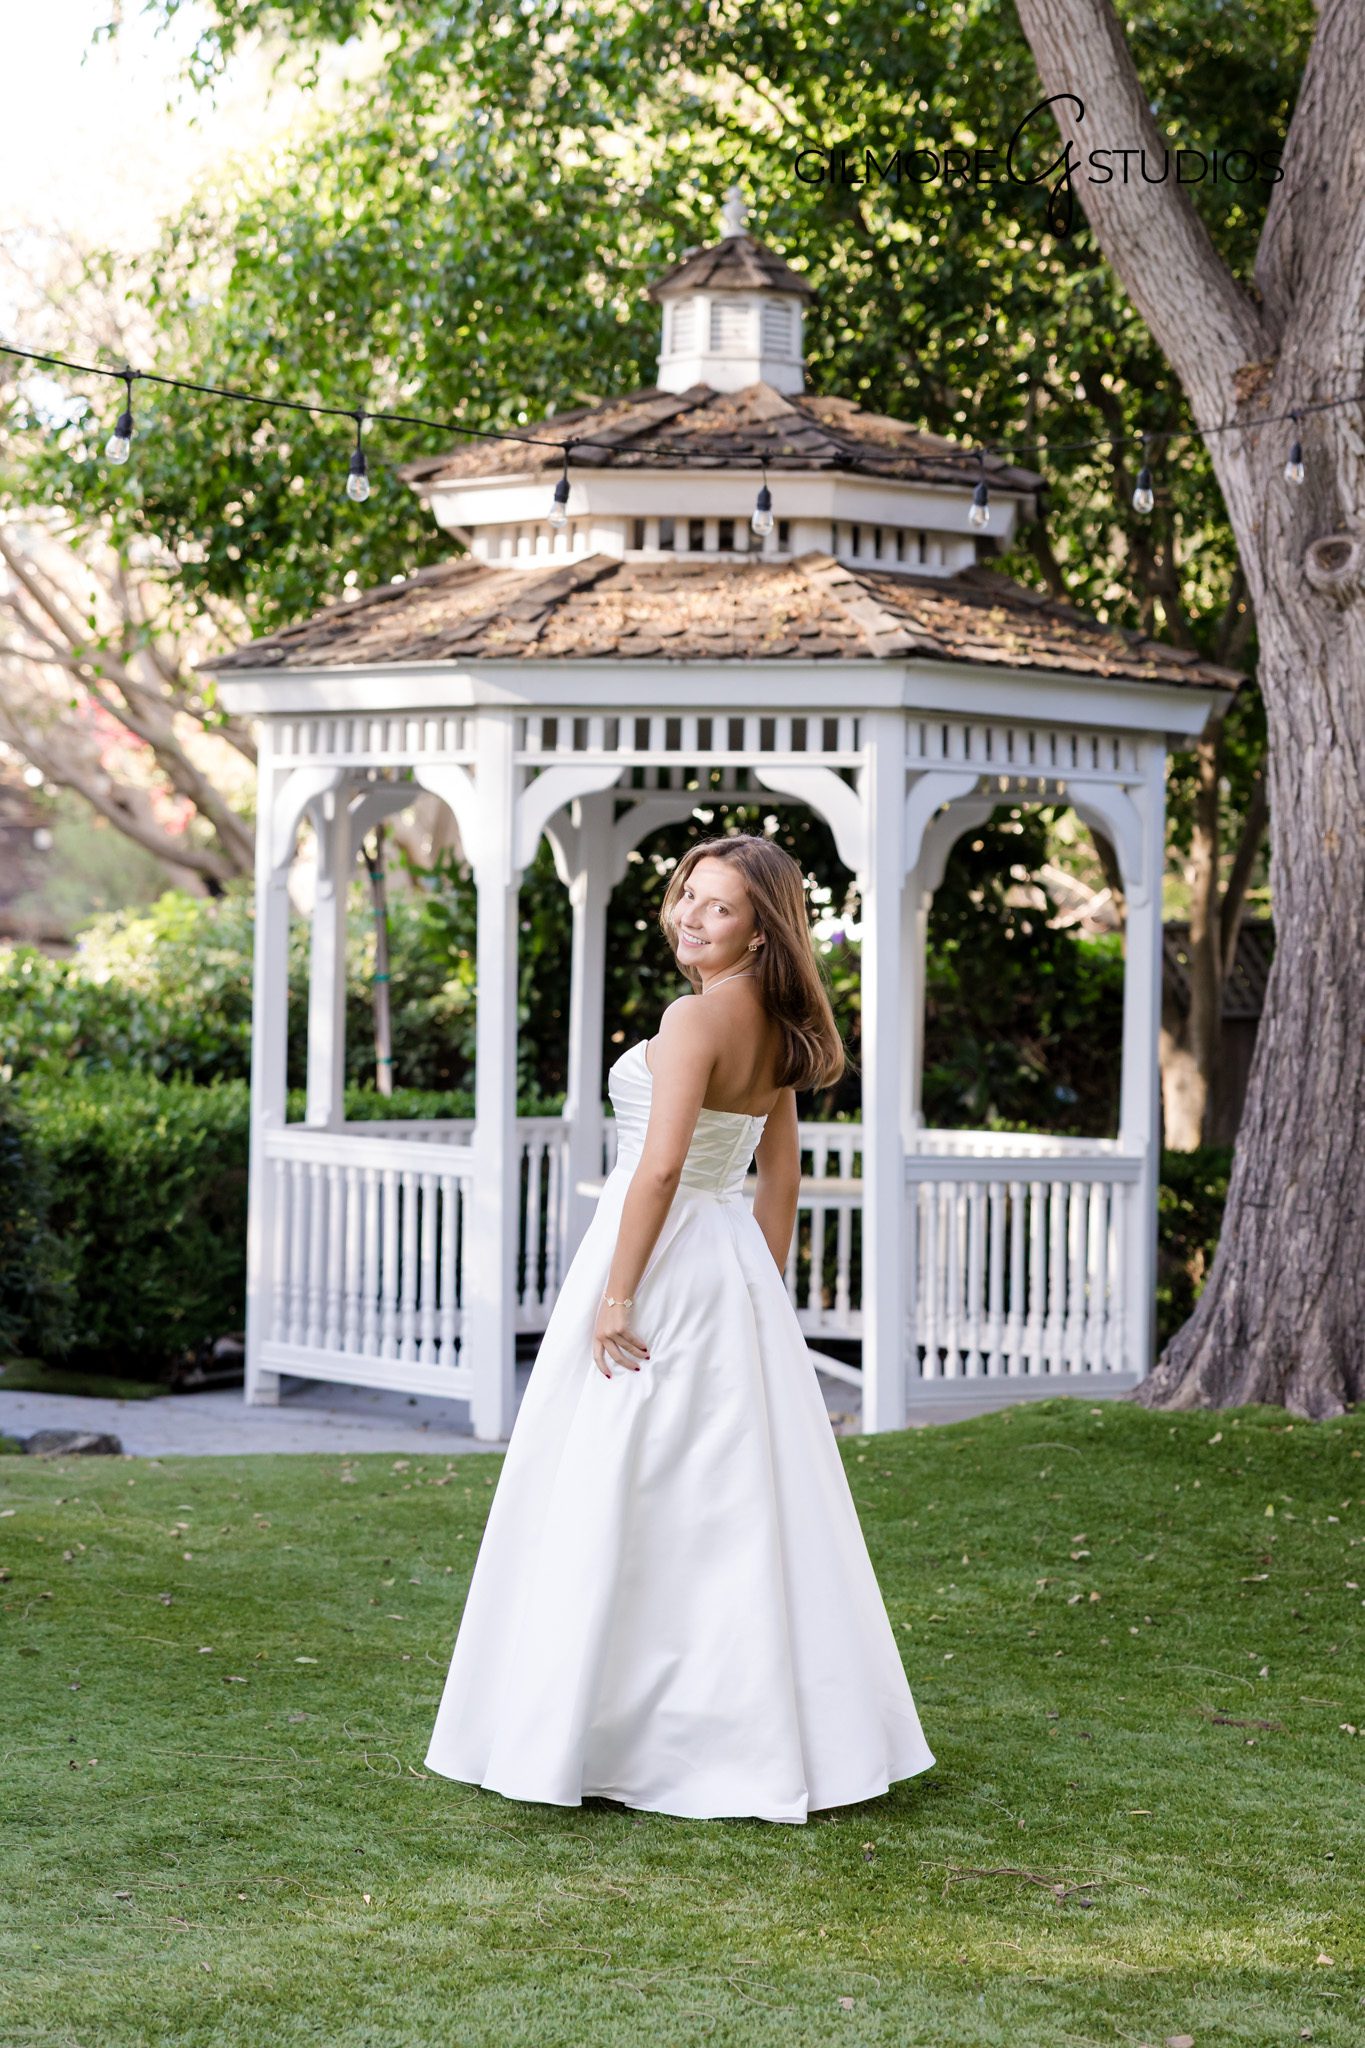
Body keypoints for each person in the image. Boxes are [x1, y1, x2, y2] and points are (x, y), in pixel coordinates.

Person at [423, 833, 936, 1823]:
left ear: (762, 925)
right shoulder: (781, 1025)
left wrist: (619, 1293)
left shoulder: (695, 1017)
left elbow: (658, 1169)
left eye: (722, 907)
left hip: (653, 1253)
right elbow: (776, 1175)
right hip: (725, 1260)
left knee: (621, 1477)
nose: (692, 918)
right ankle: (722, 1726)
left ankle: (608, 1726)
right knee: (726, 1496)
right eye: (688, 897)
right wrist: (759, 1282)